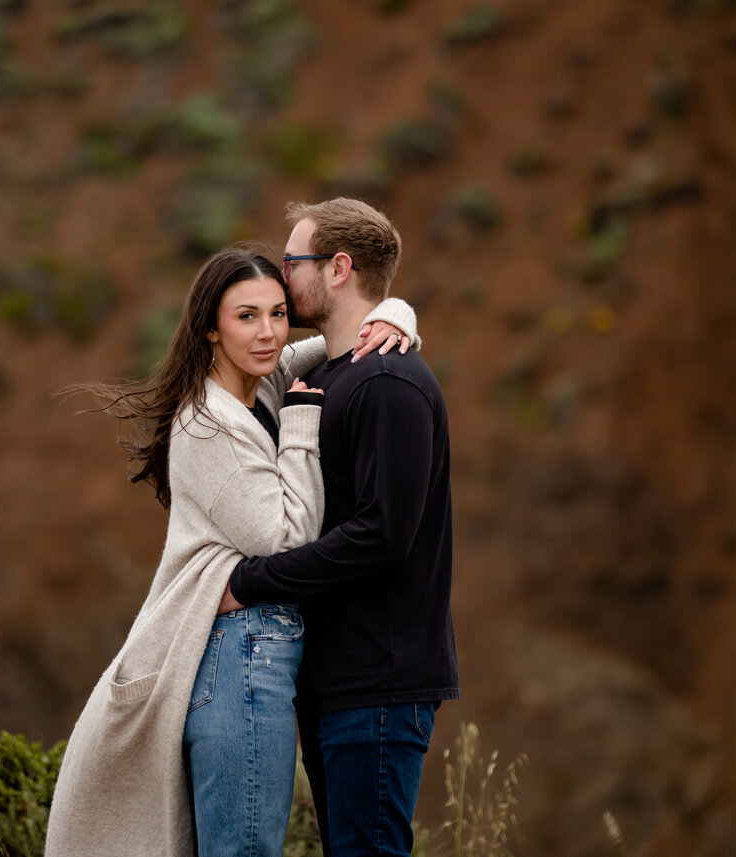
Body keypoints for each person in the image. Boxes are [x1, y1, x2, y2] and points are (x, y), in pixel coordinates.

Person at [44, 246, 420, 857]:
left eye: (277, 313)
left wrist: (396, 315)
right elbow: (286, 539)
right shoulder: (208, 423)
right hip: (243, 654)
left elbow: (342, 338)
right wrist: (301, 428)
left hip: (259, 650)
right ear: (210, 328)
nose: (269, 332)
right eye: (247, 316)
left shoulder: (259, 380)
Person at [222, 199, 459, 857]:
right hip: (336, 676)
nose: (280, 277)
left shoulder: (388, 380)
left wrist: (250, 582)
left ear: (339, 268)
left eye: (292, 261)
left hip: (379, 676)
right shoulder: (329, 371)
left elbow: (384, 533)